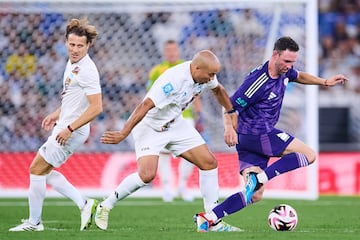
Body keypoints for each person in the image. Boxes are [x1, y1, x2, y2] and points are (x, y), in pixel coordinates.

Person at [195, 36, 348, 232]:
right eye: (286, 61)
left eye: (292, 62)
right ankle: (261, 178)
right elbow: (229, 105)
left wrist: (325, 82)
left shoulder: (284, 71)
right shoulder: (258, 81)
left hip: (248, 140)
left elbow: (299, 75)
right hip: (258, 134)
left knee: (254, 195)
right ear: (275, 55)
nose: (289, 66)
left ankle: (208, 220)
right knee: (309, 155)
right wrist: (228, 127)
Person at [94, 50, 240, 232]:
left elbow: (219, 90)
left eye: (214, 74)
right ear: (196, 68)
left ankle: (212, 221)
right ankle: (105, 205)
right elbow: (144, 105)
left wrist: (231, 110)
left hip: (175, 124)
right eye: (210, 74)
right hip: (150, 127)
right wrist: (124, 132)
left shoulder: (206, 76)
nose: (212, 77)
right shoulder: (173, 80)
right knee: (147, 175)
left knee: (209, 163)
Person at [9, 18, 103, 232]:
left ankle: (34, 223)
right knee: (45, 171)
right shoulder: (72, 63)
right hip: (65, 124)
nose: (76, 49)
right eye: (72, 44)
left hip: (72, 129)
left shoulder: (87, 70)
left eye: (80, 45)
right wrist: (56, 113)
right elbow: (74, 98)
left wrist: (69, 129)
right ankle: (84, 203)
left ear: (89, 45)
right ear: (66, 43)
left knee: (36, 169)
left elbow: (96, 107)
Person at [147, 39, 202, 202]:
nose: (171, 53)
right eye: (168, 50)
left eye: (174, 50)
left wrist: (199, 113)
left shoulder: (188, 68)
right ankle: (167, 188)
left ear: (178, 51)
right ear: (165, 52)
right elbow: (150, 95)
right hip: (164, 118)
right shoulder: (157, 70)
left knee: (191, 154)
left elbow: (196, 92)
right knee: (163, 155)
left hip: (185, 117)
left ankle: (183, 186)